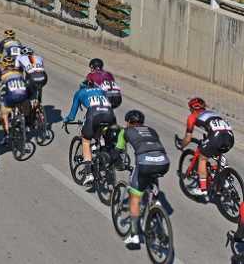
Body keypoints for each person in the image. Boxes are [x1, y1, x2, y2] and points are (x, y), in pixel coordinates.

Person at [115, 109, 169, 247]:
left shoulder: (125, 131)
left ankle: (134, 236)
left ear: (128, 122)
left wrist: (116, 163)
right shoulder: (151, 130)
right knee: (152, 175)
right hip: (163, 162)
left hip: (145, 163)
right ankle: (156, 203)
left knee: (135, 197)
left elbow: (118, 151)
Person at [178, 97, 235, 197]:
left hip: (216, 138)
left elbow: (187, 139)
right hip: (230, 137)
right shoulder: (213, 113)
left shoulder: (192, 117)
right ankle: (226, 177)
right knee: (218, 151)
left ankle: (202, 189)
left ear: (191, 109)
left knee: (202, 158)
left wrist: (181, 145)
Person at [65, 78, 116, 184]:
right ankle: (105, 155)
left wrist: (66, 120)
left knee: (86, 140)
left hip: (94, 115)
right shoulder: (101, 90)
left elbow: (72, 115)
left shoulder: (80, 92)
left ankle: (88, 174)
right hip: (110, 115)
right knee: (103, 137)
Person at [0, 57, 29, 144]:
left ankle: (6, 135)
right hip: (23, 94)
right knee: (21, 103)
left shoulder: (1, 72)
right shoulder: (19, 71)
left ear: (4, 65)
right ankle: (23, 121)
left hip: (12, 96)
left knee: (4, 113)